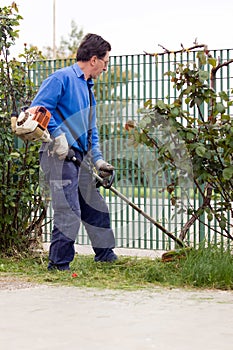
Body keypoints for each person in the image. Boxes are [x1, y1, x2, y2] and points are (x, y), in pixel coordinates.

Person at [31, 33, 118, 270]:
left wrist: (98, 160)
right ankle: (58, 265)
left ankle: (105, 255)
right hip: (56, 156)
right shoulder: (61, 78)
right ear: (93, 59)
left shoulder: (88, 90)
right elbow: (37, 109)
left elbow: (92, 131)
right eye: (105, 62)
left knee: (95, 206)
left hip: (78, 157)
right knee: (69, 210)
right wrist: (57, 135)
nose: (105, 68)